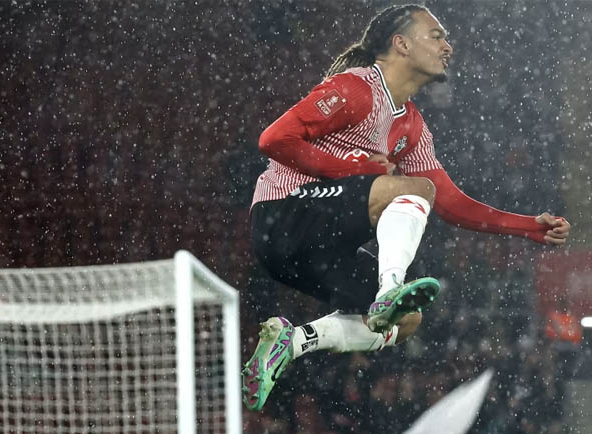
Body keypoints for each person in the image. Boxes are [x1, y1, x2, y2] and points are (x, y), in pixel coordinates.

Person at [242, 4, 570, 410]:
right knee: (408, 190)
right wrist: (350, 168)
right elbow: (274, 139)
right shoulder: (356, 89)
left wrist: (526, 227)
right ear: (401, 44)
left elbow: (449, 202)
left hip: (310, 255)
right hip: (282, 216)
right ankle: (389, 286)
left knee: (408, 321)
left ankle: (292, 343)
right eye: (436, 35)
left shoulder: (412, 126)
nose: (447, 46)